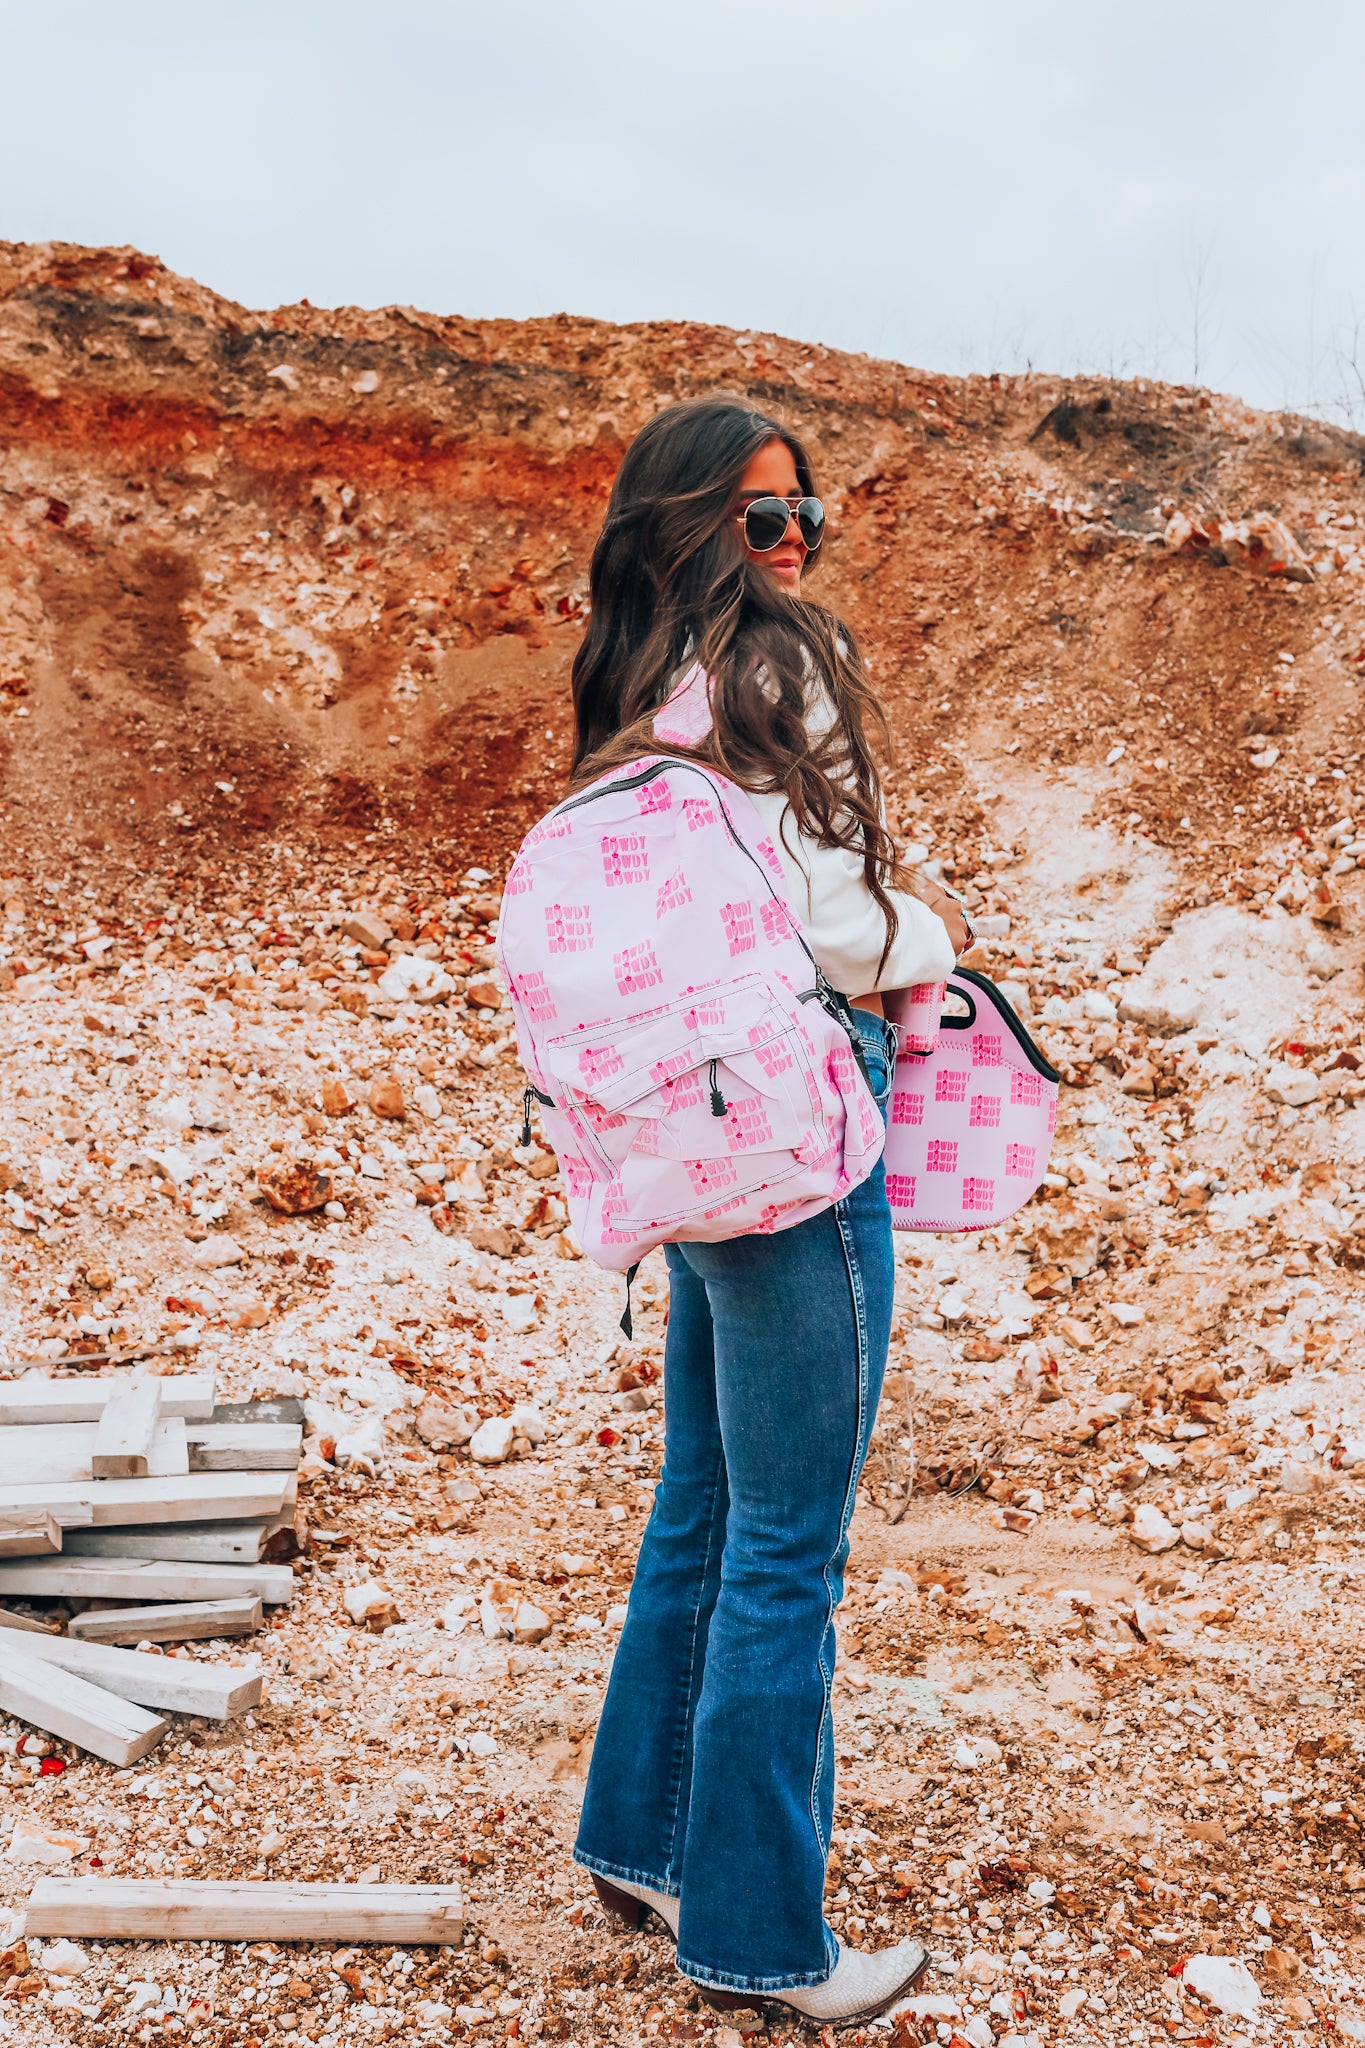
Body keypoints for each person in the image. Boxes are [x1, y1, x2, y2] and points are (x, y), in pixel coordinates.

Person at [566, 397, 970, 2024]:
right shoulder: (767, 668)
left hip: (693, 1127)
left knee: (705, 1505)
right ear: (688, 524)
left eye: (804, 512)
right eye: (759, 517)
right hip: (798, 1117)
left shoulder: (627, 685)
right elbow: (827, 911)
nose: (791, 540)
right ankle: (759, 1941)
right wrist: (927, 940)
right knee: (787, 1548)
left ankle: (641, 1840)